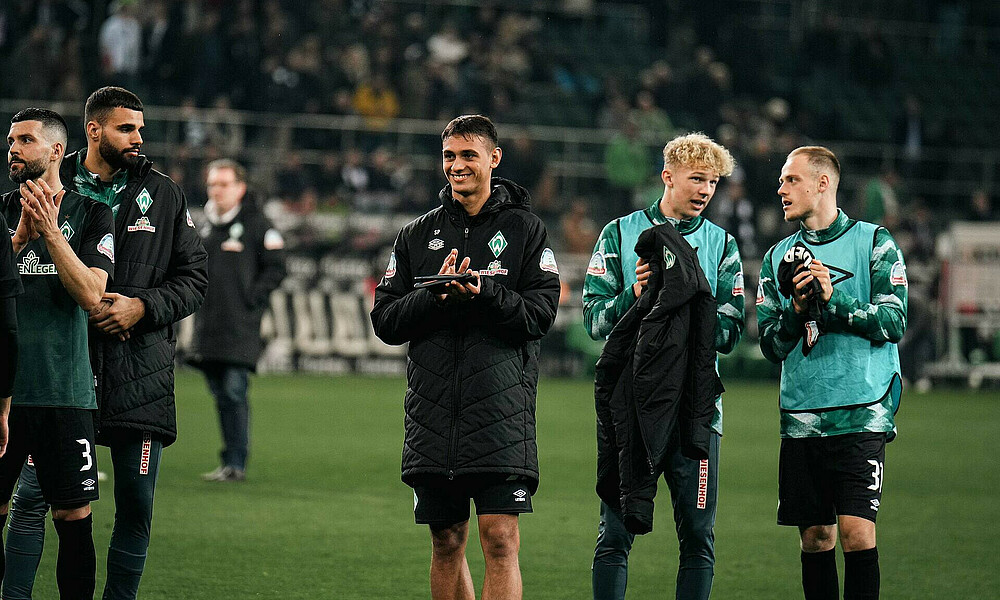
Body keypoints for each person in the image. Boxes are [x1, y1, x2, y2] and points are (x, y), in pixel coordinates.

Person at [3, 87, 209, 600]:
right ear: (93, 130)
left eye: (140, 128)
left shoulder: (164, 195)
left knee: (136, 503)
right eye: (127, 128)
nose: (139, 138)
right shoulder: (48, 179)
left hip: (136, 372)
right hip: (60, 372)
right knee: (32, 499)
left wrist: (142, 308)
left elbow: (195, 278)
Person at [370, 115, 560, 600]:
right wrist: (435, 295)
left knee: (500, 538)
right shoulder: (416, 235)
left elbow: (540, 315)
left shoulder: (525, 231)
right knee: (446, 539)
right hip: (433, 415)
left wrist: (483, 293)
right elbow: (386, 321)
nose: (457, 166)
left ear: (494, 159)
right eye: (450, 156)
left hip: (500, 413)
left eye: (468, 155)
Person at [583, 132, 744, 600]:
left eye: (713, 183)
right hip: (631, 411)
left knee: (698, 537)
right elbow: (594, 320)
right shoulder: (619, 233)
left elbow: (732, 333)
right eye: (697, 180)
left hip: (696, 413)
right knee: (614, 536)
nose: (705, 192)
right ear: (667, 176)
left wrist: (690, 303)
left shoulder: (722, 246)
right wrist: (633, 297)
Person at [757, 146, 907, 600]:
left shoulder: (874, 242)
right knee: (815, 538)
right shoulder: (777, 258)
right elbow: (770, 344)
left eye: (792, 180)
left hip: (861, 413)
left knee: (856, 534)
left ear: (823, 184)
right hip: (802, 417)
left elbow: (895, 321)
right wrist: (796, 311)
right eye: (782, 180)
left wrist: (832, 302)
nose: (780, 188)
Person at [0, 107, 115, 599]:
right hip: (2, 393)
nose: (12, 150)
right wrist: (18, 239)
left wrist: (49, 232)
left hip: (65, 393)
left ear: (53, 151)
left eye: (24, 140)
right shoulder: (1, 213)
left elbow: (92, 295)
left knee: (74, 518)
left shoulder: (91, 213)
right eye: (10, 141)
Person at [191, 159, 286, 482]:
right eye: (212, 184)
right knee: (220, 393)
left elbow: (277, 266)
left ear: (240, 188)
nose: (216, 190)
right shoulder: (202, 224)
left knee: (233, 391)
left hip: (240, 327)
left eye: (223, 184)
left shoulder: (257, 224)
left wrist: (251, 299)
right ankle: (230, 460)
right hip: (208, 325)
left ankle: (236, 462)